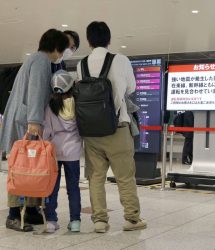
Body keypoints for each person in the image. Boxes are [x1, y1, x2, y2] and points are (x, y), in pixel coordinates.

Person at [77, 21, 146, 233]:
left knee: (96, 177)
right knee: (125, 176)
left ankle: (99, 220)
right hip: (117, 127)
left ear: (88, 41)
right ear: (109, 39)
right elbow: (131, 87)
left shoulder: (82, 64)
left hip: (91, 131)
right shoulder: (120, 60)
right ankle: (131, 220)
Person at [0, 29, 68, 232]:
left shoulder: (33, 58)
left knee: (30, 166)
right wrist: (35, 122)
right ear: (56, 48)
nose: (61, 54)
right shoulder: (41, 61)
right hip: (27, 122)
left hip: (20, 118)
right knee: (20, 168)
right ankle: (13, 214)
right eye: (62, 50)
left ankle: (30, 209)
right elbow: (37, 92)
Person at [43, 70, 82, 233]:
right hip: (73, 152)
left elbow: (46, 132)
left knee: (52, 187)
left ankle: (51, 221)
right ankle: (75, 222)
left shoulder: (51, 106)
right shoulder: (78, 103)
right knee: (73, 188)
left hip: (54, 152)